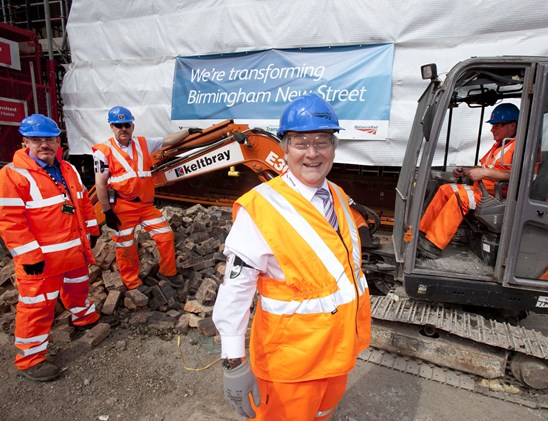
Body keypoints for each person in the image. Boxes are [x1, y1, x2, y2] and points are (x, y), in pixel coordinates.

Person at [212, 93, 371, 420]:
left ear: (334, 146)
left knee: (324, 414)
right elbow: (236, 288)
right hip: (291, 365)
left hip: (339, 353)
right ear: (283, 147)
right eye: (301, 142)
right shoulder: (260, 208)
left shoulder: (338, 196)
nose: (312, 153)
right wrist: (233, 361)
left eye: (322, 141)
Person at [0, 114, 102, 381]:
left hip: (73, 251)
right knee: (36, 306)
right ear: (25, 142)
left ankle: (84, 319)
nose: (44, 144)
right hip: (41, 260)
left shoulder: (68, 169)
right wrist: (29, 256)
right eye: (37, 139)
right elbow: (10, 222)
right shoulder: (12, 175)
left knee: (78, 287)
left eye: (49, 139)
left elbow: (82, 203)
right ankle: (30, 360)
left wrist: (91, 231)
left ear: (58, 140)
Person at [92, 106, 200, 290]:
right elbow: (101, 184)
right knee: (126, 246)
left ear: (132, 125)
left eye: (127, 124)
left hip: (145, 206)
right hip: (122, 207)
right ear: (112, 127)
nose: (123, 129)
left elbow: (167, 140)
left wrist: (188, 132)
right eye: (118, 125)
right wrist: (107, 212)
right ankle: (132, 283)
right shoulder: (103, 151)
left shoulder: (143, 143)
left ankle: (167, 272)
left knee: (165, 235)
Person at [417, 103, 520, 259]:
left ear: (512, 125)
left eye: (497, 125)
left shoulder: (521, 147)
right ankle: (422, 231)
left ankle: (433, 245)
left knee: (460, 198)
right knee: (446, 189)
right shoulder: (501, 145)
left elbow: (521, 176)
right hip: (483, 190)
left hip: (497, 197)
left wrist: (485, 172)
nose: (492, 129)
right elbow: (484, 166)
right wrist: (466, 171)